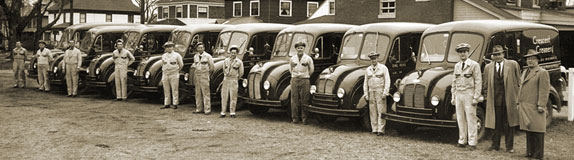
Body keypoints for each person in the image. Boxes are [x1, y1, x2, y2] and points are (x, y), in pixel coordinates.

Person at [483, 45, 521, 153]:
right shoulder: (488, 68)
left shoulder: (512, 65)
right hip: (494, 101)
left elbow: (519, 82)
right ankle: (495, 145)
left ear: (503, 54)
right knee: (495, 124)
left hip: (509, 100)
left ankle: (510, 147)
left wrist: (517, 99)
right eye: (495, 55)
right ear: (492, 57)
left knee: (509, 123)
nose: (497, 56)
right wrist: (486, 98)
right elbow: (485, 85)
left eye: (499, 54)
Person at [517, 49, 550, 159]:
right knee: (529, 130)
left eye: (533, 59)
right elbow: (521, 87)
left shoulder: (542, 72)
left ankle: (538, 154)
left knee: (538, 131)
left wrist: (541, 104)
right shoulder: (525, 71)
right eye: (528, 59)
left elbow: (544, 90)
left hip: (535, 106)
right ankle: (530, 152)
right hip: (525, 105)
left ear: (538, 60)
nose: (530, 61)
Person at [451, 43, 482, 150]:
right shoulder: (457, 66)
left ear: (468, 52)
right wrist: (453, 96)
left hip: (469, 93)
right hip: (459, 93)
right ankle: (462, 140)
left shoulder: (474, 65)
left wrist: (476, 97)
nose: (462, 54)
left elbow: (478, 82)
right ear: (458, 54)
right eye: (460, 52)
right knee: (460, 118)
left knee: (471, 118)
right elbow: (454, 82)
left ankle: (472, 142)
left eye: (464, 51)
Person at [363, 52, 390, 136]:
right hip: (371, 91)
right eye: (372, 59)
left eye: (374, 58)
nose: (373, 60)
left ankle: (381, 129)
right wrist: (366, 94)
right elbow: (365, 82)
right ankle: (374, 128)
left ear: (378, 59)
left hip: (380, 91)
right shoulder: (368, 70)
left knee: (381, 110)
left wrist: (385, 92)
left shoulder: (383, 68)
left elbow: (387, 80)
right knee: (372, 110)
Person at [289, 41, 314, 125]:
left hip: (305, 79)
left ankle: (305, 119)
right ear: (296, 49)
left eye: (302, 48)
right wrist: (295, 75)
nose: (300, 49)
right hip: (295, 79)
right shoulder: (292, 59)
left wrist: (306, 75)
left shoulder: (308, 58)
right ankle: (295, 118)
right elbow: (290, 69)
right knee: (294, 99)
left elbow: (311, 69)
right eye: (298, 48)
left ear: (304, 49)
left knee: (305, 99)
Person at [220, 46, 244, 118]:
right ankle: (223, 112)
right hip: (226, 79)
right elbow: (224, 68)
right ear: (230, 53)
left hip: (233, 80)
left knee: (233, 96)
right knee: (224, 96)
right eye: (232, 53)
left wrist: (236, 78)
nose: (233, 54)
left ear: (237, 54)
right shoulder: (226, 61)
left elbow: (241, 72)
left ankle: (232, 112)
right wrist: (226, 75)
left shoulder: (239, 62)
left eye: (234, 53)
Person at [192, 42, 214, 114]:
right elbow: (195, 65)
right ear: (197, 49)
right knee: (198, 93)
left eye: (201, 47)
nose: (200, 49)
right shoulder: (195, 56)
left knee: (206, 93)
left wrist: (208, 74)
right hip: (197, 75)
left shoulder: (208, 56)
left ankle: (207, 109)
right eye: (198, 48)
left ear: (204, 48)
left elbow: (212, 67)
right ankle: (199, 108)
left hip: (204, 75)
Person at [160, 42, 183, 109]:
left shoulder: (177, 55)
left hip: (174, 73)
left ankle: (175, 103)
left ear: (173, 47)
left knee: (174, 89)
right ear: (165, 48)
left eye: (170, 47)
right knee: (166, 89)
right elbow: (162, 63)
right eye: (167, 47)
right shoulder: (164, 55)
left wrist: (177, 71)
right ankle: (167, 103)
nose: (169, 48)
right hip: (165, 73)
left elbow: (181, 64)